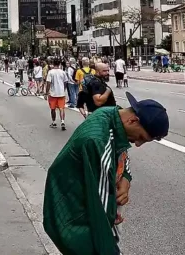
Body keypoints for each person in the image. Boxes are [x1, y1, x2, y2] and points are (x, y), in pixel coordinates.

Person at [43, 91, 169, 255]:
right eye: (141, 137)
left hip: (73, 211)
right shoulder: (98, 141)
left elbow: (122, 153)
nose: (138, 144)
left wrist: (125, 178)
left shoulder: (110, 115)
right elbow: (100, 211)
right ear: (133, 120)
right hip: (75, 219)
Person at [46, 58, 69, 131]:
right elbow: (66, 82)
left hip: (53, 93)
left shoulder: (50, 72)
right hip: (61, 93)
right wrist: (63, 89)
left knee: (53, 109)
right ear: (59, 64)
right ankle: (62, 121)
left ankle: (54, 122)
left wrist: (46, 92)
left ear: (53, 63)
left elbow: (48, 83)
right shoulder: (63, 72)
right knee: (61, 108)